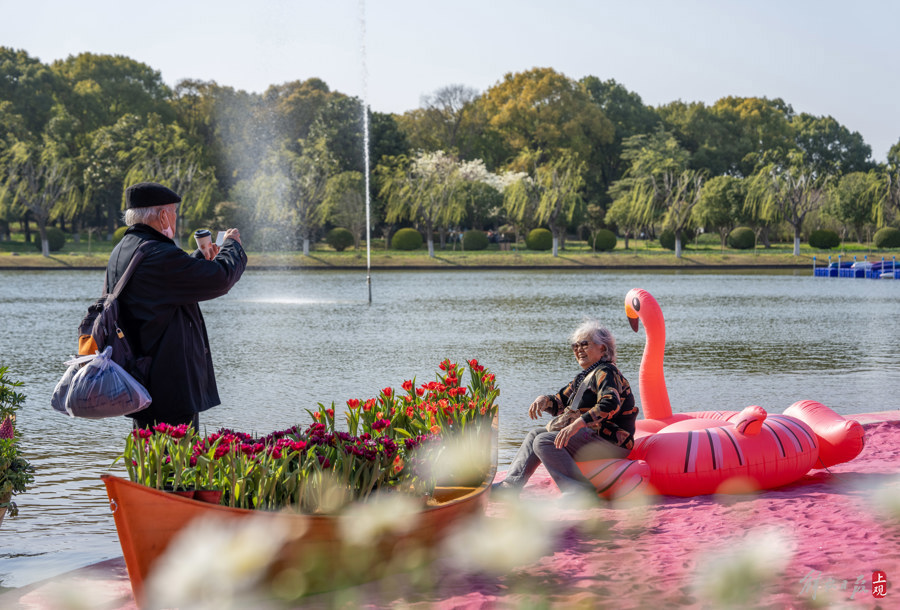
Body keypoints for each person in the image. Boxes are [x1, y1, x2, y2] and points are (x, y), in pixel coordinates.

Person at [105, 182, 247, 430]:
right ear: (162, 215)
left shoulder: (125, 249)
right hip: (169, 382)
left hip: (140, 377)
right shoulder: (159, 254)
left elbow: (161, 285)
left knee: (150, 452)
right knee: (177, 453)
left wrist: (198, 259)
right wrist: (232, 246)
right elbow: (220, 279)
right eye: (173, 212)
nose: (175, 218)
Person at [494, 319, 638, 499]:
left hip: (611, 441)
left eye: (584, 344)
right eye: (575, 346)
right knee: (534, 435)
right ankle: (510, 485)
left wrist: (577, 425)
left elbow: (610, 403)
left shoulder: (607, 372)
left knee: (545, 441)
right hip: (591, 436)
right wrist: (544, 400)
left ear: (602, 348)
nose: (578, 350)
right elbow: (559, 402)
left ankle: (578, 491)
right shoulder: (584, 377)